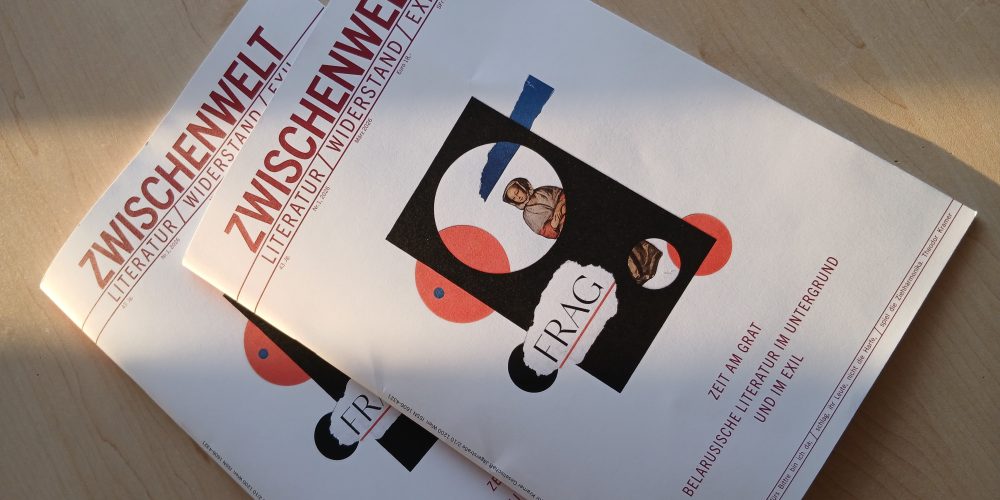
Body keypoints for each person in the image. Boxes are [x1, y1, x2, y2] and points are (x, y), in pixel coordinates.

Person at [502, 177, 566, 239]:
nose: (518, 197)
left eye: (517, 192)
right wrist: (553, 225)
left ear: (522, 187)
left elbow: (562, 194)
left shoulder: (541, 191)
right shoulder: (527, 215)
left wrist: (559, 206)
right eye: (514, 198)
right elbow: (544, 231)